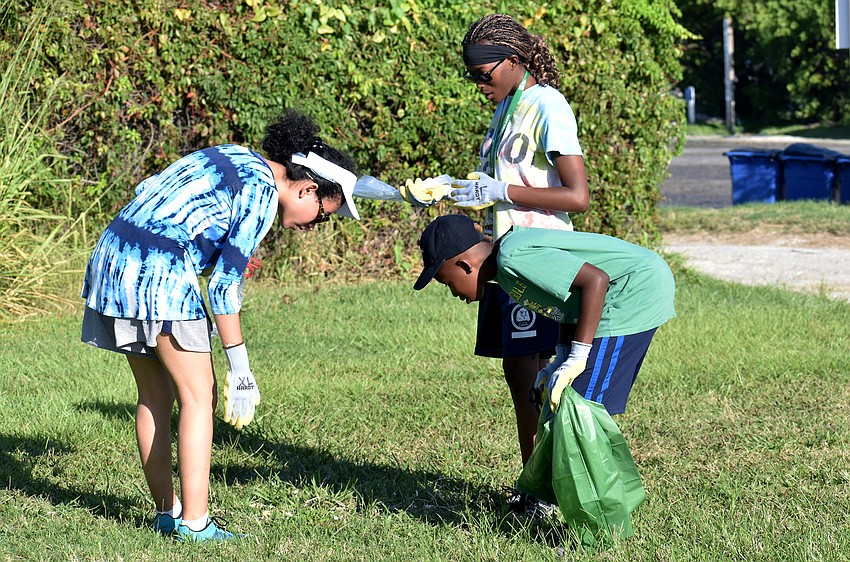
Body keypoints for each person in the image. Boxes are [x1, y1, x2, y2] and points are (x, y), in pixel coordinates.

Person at [80, 109, 360, 542]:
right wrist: (241, 369)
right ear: (307, 188)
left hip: (114, 257)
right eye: (322, 214)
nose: (315, 227)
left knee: (154, 395)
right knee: (199, 396)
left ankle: (167, 513)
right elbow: (224, 290)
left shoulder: (235, 156)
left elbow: (149, 190)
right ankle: (195, 524)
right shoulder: (262, 193)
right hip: (160, 272)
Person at [413, 215, 675, 503]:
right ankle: (561, 502)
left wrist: (578, 356)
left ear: (464, 265)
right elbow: (564, 304)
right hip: (621, 291)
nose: (453, 293)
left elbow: (596, 281)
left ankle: (602, 521)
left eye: (447, 282)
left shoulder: (512, 260)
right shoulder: (506, 268)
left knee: (580, 412)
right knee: (567, 407)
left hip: (633, 291)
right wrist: (560, 357)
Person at [448, 14, 590, 482]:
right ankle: (533, 479)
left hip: (540, 259)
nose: (478, 85)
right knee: (518, 374)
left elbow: (577, 196)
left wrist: (502, 193)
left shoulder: (548, 105)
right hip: (508, 260)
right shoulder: (506, 107)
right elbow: (503, 186)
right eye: (472, 76)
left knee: (538, 378)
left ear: (512, 61)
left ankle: (548, 485)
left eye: (483, 75)